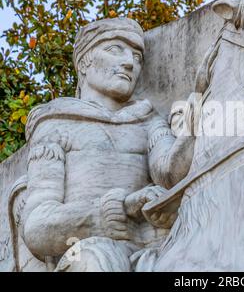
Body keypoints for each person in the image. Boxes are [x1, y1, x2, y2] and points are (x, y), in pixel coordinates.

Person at [21, 17, 194, 271]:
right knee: (99, 260)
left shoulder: (148, 120)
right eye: (115, 49)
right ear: (84, 63)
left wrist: (195, 126)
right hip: (87, 252)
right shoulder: (55, 123)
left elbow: (170, 173)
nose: (129, 63)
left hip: (153, 248)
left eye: (137, 57)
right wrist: (114, 209)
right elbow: (36, 226)